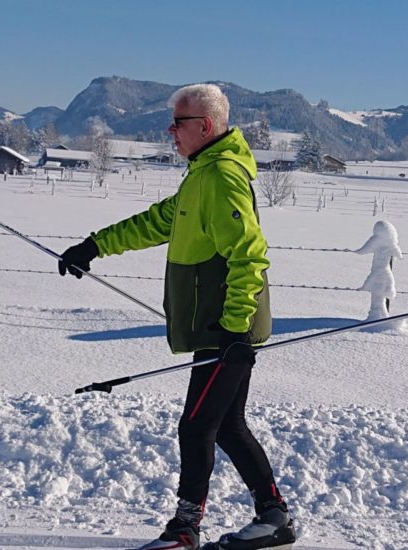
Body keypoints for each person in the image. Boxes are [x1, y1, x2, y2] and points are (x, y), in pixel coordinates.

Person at [57, 83, 296, 550]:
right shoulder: (202, 173)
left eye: (177, 123)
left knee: (197, 425)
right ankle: (274, 517)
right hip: (222, 326)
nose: (170, 131)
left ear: (204, 126)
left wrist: (233, 329)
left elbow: (249, 255)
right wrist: (94, 246)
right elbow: (160, 220)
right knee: (226, 424)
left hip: (225, 329)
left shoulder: (221, 175)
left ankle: (185, 528)